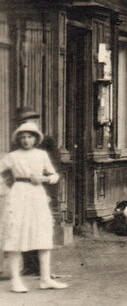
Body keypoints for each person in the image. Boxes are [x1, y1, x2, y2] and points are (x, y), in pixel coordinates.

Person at [0, 122, 68, 292]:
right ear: (18, 139)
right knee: (16, 236)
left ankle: (45, 279)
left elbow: (54, 175)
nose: (26, 140)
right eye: (22, 137)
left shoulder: (41, 155)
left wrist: (43, 179)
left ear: (35, 138)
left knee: (42, 235)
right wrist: (3, 187)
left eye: (29, 137)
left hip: (37, 195)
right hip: (18, 195)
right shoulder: (12, 156)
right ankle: (16, 280)